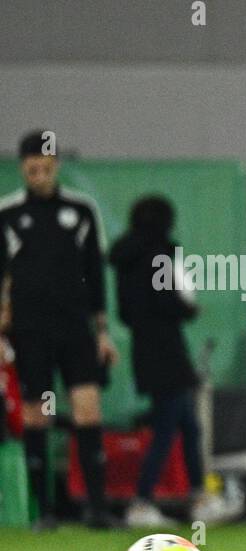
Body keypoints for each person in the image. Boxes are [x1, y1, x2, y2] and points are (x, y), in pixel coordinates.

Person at [0, 130, 118, 529]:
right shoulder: (8, 214)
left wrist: (102, 331)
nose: (40, 174)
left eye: (47, 167)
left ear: (56, 166)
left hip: (76, 330)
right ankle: (44, 510)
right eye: (33, 168)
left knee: (87, 408)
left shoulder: (81, 211)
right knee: (38, 414)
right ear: (23, 168)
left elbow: (95, 275)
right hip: (30, 332)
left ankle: (98, 508)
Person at [109, 195, 223, 528]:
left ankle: (200, 496)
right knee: (166, 429)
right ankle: (142, 501)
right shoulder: (159, 256)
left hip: (146, 350)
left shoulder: (125, 260)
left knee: (188, 426)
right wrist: (188, 309)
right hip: (168, 353)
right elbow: (169, 301)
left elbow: (128, 312)